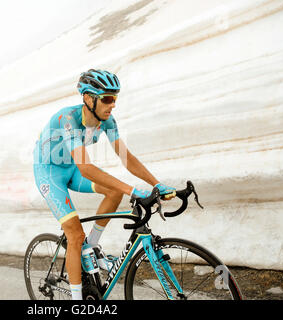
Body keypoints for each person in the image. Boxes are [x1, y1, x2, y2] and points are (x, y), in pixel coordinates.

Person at [33, 69, 176, 300]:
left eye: (115, 98)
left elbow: (126, 158)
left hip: (71, 167)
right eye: (107, 99)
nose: (113, 105)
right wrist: (132, 189)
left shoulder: (107, 121)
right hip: (49, 172)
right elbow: (86, 168)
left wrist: (157, 184)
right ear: (89, 98)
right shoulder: (67, 119)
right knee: (75, 235)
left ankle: (94, 245)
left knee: (112, 192)